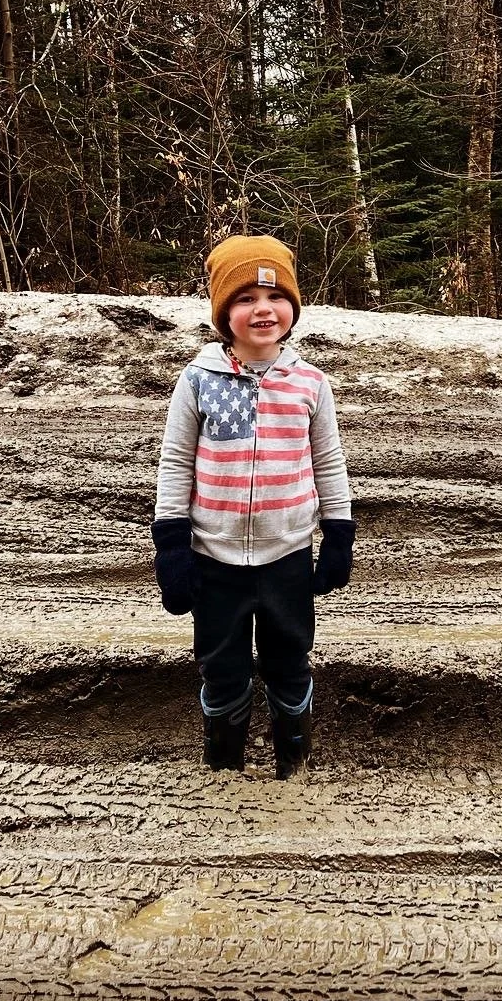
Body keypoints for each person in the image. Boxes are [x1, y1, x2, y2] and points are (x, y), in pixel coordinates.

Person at [150, 233, 355, 778]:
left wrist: (338, 535)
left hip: (288, 555)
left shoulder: (311, 383)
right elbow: (175, 463)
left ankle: (294, 763)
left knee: (290, 660)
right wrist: (171, 548)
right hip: (213, 558)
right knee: (221, 668)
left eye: (275, 296)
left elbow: (329, 462)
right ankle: (224, 767)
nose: (263, 309)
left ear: (292, 307)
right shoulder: (198, 380)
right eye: (245, 299)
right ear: (224, 313)